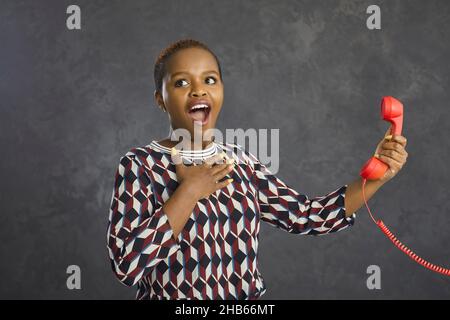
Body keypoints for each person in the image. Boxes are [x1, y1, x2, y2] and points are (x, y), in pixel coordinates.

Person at [106, 38, 408, 300]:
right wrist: (188, 192)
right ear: (161, 99)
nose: (198, 90)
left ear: (222, 90)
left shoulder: (242, 164)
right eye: (181, 82)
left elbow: (306, 216)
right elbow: (126, 266)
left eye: (210, 79)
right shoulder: (139, 166)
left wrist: (377, 176)